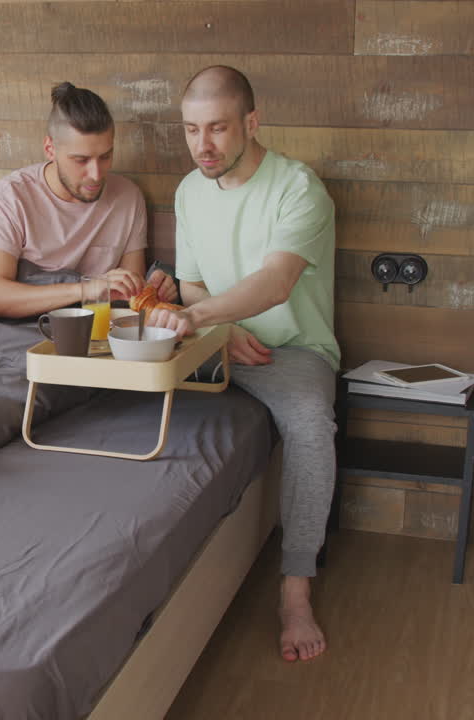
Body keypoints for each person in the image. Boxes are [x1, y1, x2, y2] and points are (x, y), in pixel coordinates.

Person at [147, 66, 340, 663]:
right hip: (220, 342)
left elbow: (276, 283)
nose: (203, 145)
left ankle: (295, 590)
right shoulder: (188, 191)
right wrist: (219, 328)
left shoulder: (299, 189)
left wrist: (203, 320)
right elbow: (194, 285)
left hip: (290, 350)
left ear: (251, 123)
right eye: (191, 130)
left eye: (218, 129)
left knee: (311, 424)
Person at [0, 82, 176, 318]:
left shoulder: (128, 197)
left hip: (97, 326)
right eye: (81, 160)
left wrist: (153, 290)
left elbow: (128, 297)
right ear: (50, 148)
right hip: (27, 325)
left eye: (105, 157)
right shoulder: (9, 198)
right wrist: (86, 289)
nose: (96, 174)